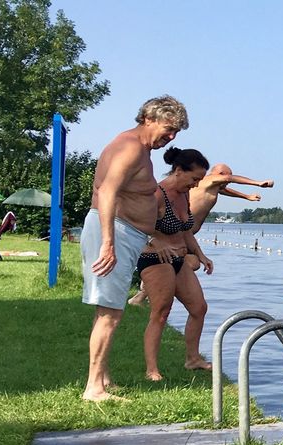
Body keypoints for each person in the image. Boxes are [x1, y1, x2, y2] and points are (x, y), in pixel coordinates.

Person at [80, 94, 188, 402]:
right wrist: (108, 243)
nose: (171, 138)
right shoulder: (130, 148)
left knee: (110, 309)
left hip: (124, 232)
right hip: (114, 231)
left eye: (176, 132)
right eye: (168, 129)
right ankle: (94, 389)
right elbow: (107, 191)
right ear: (149, 118)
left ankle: (102, 378)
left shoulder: (139, 149)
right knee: (110, 313)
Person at [127, 163, 273, 306]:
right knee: (188, 262)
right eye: (226, 175)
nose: (227, 179)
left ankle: (146, 291)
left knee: (191, 262)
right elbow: (228, 179)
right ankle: (144, 293)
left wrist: (246, 197)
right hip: (179, 231)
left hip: (187, 233)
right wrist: (258, 183)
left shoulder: (212, 186)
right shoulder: (206, 180)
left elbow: (225, 190)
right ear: (218, 175)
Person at [137, 147, 215, 380]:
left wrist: (201, 255)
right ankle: (152, 370)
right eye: (194, 179)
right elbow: (137, 226)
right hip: (154, 259)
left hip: (178, 259)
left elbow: (185, 230)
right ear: (179, 171)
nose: (196, 184)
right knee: (161, 312)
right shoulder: (156, 194)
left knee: (199, 308)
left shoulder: (184, 194)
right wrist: (154, 241)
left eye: (200, 180)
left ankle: (193, 359)